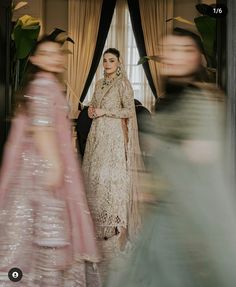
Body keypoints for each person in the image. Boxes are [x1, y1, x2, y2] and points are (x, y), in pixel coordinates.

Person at [104, 29, 233, 287]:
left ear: (197, 58)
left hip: (191, 212)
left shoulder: (202, 100)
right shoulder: (170, 98)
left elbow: (202, 163)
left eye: (186, 50)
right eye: (172, 50)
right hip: (162, 210)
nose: (178, 56)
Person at [0, 36, 100, 286]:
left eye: (57, 53)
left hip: (35, 165)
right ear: (34, 59)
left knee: (26, 226)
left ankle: (28, 275)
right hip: (44, 166)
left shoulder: (38, 84)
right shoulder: (45, 86)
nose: (54, 57)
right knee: (47, 226)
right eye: (46, 53)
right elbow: (42, 128)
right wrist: (55, 165)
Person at [82, 48, 142, 281]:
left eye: (111, 60)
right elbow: (95, 106)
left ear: (119, 63)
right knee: (96, 175)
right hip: (98, 134)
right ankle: (99, 223)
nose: (107, 63)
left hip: (114, 137)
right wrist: (91, 110)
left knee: (111, 177)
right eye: (105, 60)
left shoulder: (123, 84)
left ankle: (116, 223)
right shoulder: (98, 83)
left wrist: (104, 111)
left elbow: (129, 111)